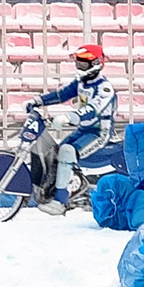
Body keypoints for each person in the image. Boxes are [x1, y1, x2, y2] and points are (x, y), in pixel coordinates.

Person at [27, 42, 123, 215]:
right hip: (83, 130)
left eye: (83, 64)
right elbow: (61, 95)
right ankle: (57, 189)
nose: (79, 67)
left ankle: (60, 201)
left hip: (99, 133)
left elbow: (92, 109)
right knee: (55, 152)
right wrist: (38, 101)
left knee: (66, 151)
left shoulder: (104, 88)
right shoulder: (81, 83)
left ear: (95, 64)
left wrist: (69, 117)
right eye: (78, 63)